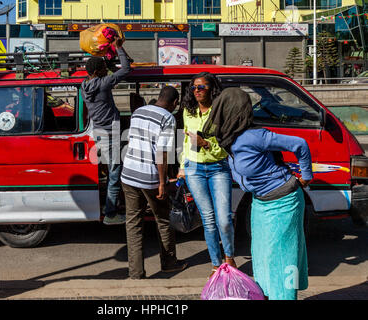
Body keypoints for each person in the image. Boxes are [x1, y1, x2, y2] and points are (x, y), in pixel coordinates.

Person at [203, 87, 312, 300]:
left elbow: (300, 144)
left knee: (282, 260)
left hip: (284, 202)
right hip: (260, 203)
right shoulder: (228, 139)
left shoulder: (255, 136)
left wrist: (306, 175)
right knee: (262, 260)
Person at [121, 86, 187, 279]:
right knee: (163, 220)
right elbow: (161, 153)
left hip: (128, 174)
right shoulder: (167, 118)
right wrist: (161, 182)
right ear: (175, 103)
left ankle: (136, 273)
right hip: (149, 177)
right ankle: (169, 263)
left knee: (133, 224)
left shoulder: (138, 112)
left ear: (158, 97)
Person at [177, 72, 237, 277]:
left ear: (212, 89)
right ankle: (215, 263)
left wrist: (206, 144)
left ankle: (229, 256)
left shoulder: (222, 111)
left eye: (201, 87)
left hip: (218, 167)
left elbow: (227, 145)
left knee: (224, 219)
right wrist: (182, 166)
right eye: (194, 87)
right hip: (194, 168)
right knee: (208, 219)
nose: (197, 91)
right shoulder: (188, 111)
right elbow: (186, 140)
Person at [81, 37, 132, 226]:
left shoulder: (84, 86)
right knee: (115, 172)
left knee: (110, 169)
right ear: (97, 72)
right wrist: (118, 48)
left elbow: (109, 72)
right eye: (103, 68)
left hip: (99, 132)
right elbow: (126, 70)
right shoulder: (103, 84)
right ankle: (111, 213)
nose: (106, 70)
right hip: (112, 132)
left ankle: (111, 205)